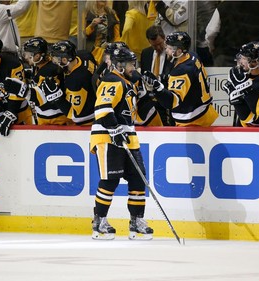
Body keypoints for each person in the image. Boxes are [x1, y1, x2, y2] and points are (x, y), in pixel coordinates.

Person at [90, 47, 154, 240]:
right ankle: (99, 221)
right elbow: (102, 108)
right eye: (130, 64)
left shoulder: (127, 83)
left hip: (128, 137)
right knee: (110, 181)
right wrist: (114, 129)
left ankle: (137, 221)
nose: (133, 67)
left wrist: (145, 94)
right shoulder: (112, 80)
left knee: (138, 179)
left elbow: (134, 115)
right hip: (108, 136)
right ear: (119, 65)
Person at [142, 31, 218, 127]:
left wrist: (157, 88)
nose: (167, 50)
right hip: (205, 110)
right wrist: (165, 78)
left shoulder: (181, 71)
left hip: (191, 119)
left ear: (179, 51)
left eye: (170, 48)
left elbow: (172, 102)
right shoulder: (192, 56)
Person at [4, 37, 71, 125]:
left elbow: (40, 97)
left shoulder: (49, 70)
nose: (26, 57)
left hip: (57, 120)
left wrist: (19, 89)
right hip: (44, 117)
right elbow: (36, 77)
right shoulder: (39, 66)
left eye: (29, 54)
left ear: (38, 56)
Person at [39, 40, 96, 125]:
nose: (53, 62)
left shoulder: (74, 81)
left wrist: (57, 97)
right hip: (95, 99)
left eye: (56, 60)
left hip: (87, 121)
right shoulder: (84, 55)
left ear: (65, 60)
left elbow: (76, 116)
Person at [223, 41, 259, 127]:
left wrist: (238, 90)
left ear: (254, 62)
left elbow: (257, 115)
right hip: (245, 124)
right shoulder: (239, 74)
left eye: (243, 58)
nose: (240, 61)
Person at [205, 0, 259, 67]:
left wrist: (212, 47)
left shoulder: (223, 6)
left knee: (223, 77)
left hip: (225, 54)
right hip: (253, 57)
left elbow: (211, 32)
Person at [140, 25, 174, 125]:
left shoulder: (173, 54)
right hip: (150, 101)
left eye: (160, 43)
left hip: (166, 99)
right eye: (154, 45)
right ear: (149, 42)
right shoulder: (146, 53)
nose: (158, 47)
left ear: (164, 38)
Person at [84, 0, 121, 65]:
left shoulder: (112, 13)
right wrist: (92, 25)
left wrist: (116, 48)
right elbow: (83, 34)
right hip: (91, 49)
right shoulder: (86, 13)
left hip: (108, 49)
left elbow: (117, 36)